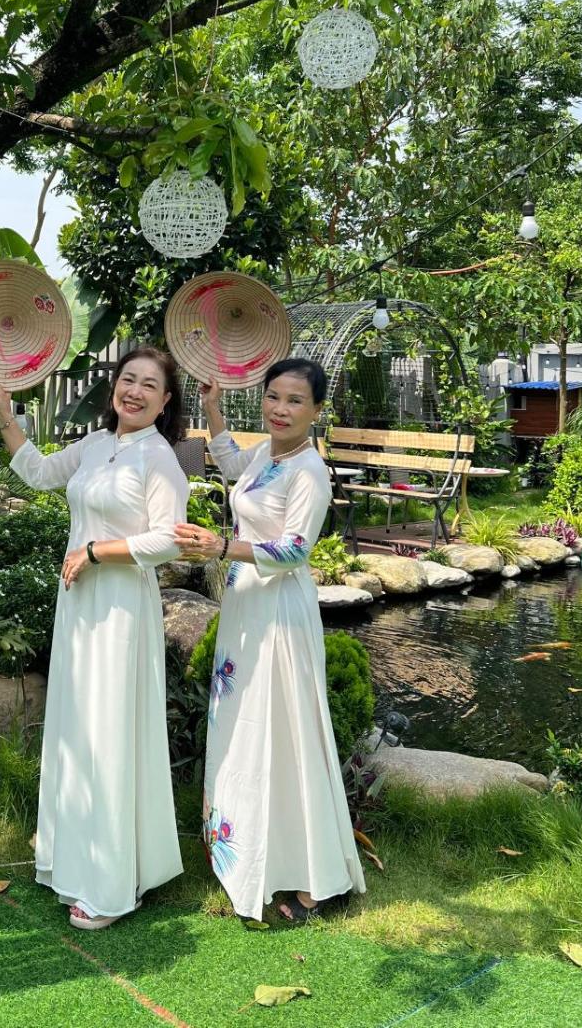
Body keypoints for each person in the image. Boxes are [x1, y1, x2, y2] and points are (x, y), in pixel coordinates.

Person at [0, 347, 189, 931]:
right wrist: (5, 414)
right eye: (128, 379)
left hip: (121, 608)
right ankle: (74, 858)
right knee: (78, 727)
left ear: (165, 401)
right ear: (114, 386)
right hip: (79, 604)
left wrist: (97, 552)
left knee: (109, 732)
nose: (135, 391)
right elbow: (38, 471)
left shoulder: (160, 460)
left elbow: (169, 541)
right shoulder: (96, 445)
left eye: (149, 385)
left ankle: (112, 885)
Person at [175, 357, 366, 925]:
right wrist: (213, 406)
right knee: (246, 725)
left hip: (279, 613)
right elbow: (232, 461)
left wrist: (220, 547)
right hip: (245, 609)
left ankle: (314, 879)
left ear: (317, 410)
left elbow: (294, 550)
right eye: (273, 396)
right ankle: (250, 849)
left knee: (286, 731)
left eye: (295, 401)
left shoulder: (310, 472)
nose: (280, 409)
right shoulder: (269, 454)